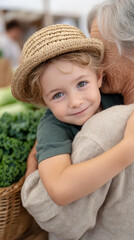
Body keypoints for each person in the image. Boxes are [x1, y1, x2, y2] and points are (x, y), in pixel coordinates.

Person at [19, 1, 134, 240]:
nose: (75, 101)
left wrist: (33, 177)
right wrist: (126, 149)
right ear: (43, 100)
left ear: (98, 76)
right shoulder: (53, 126)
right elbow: (60, 189)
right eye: (57, 94)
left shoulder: (109, 108)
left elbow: (58, 215)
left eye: (82, 84)